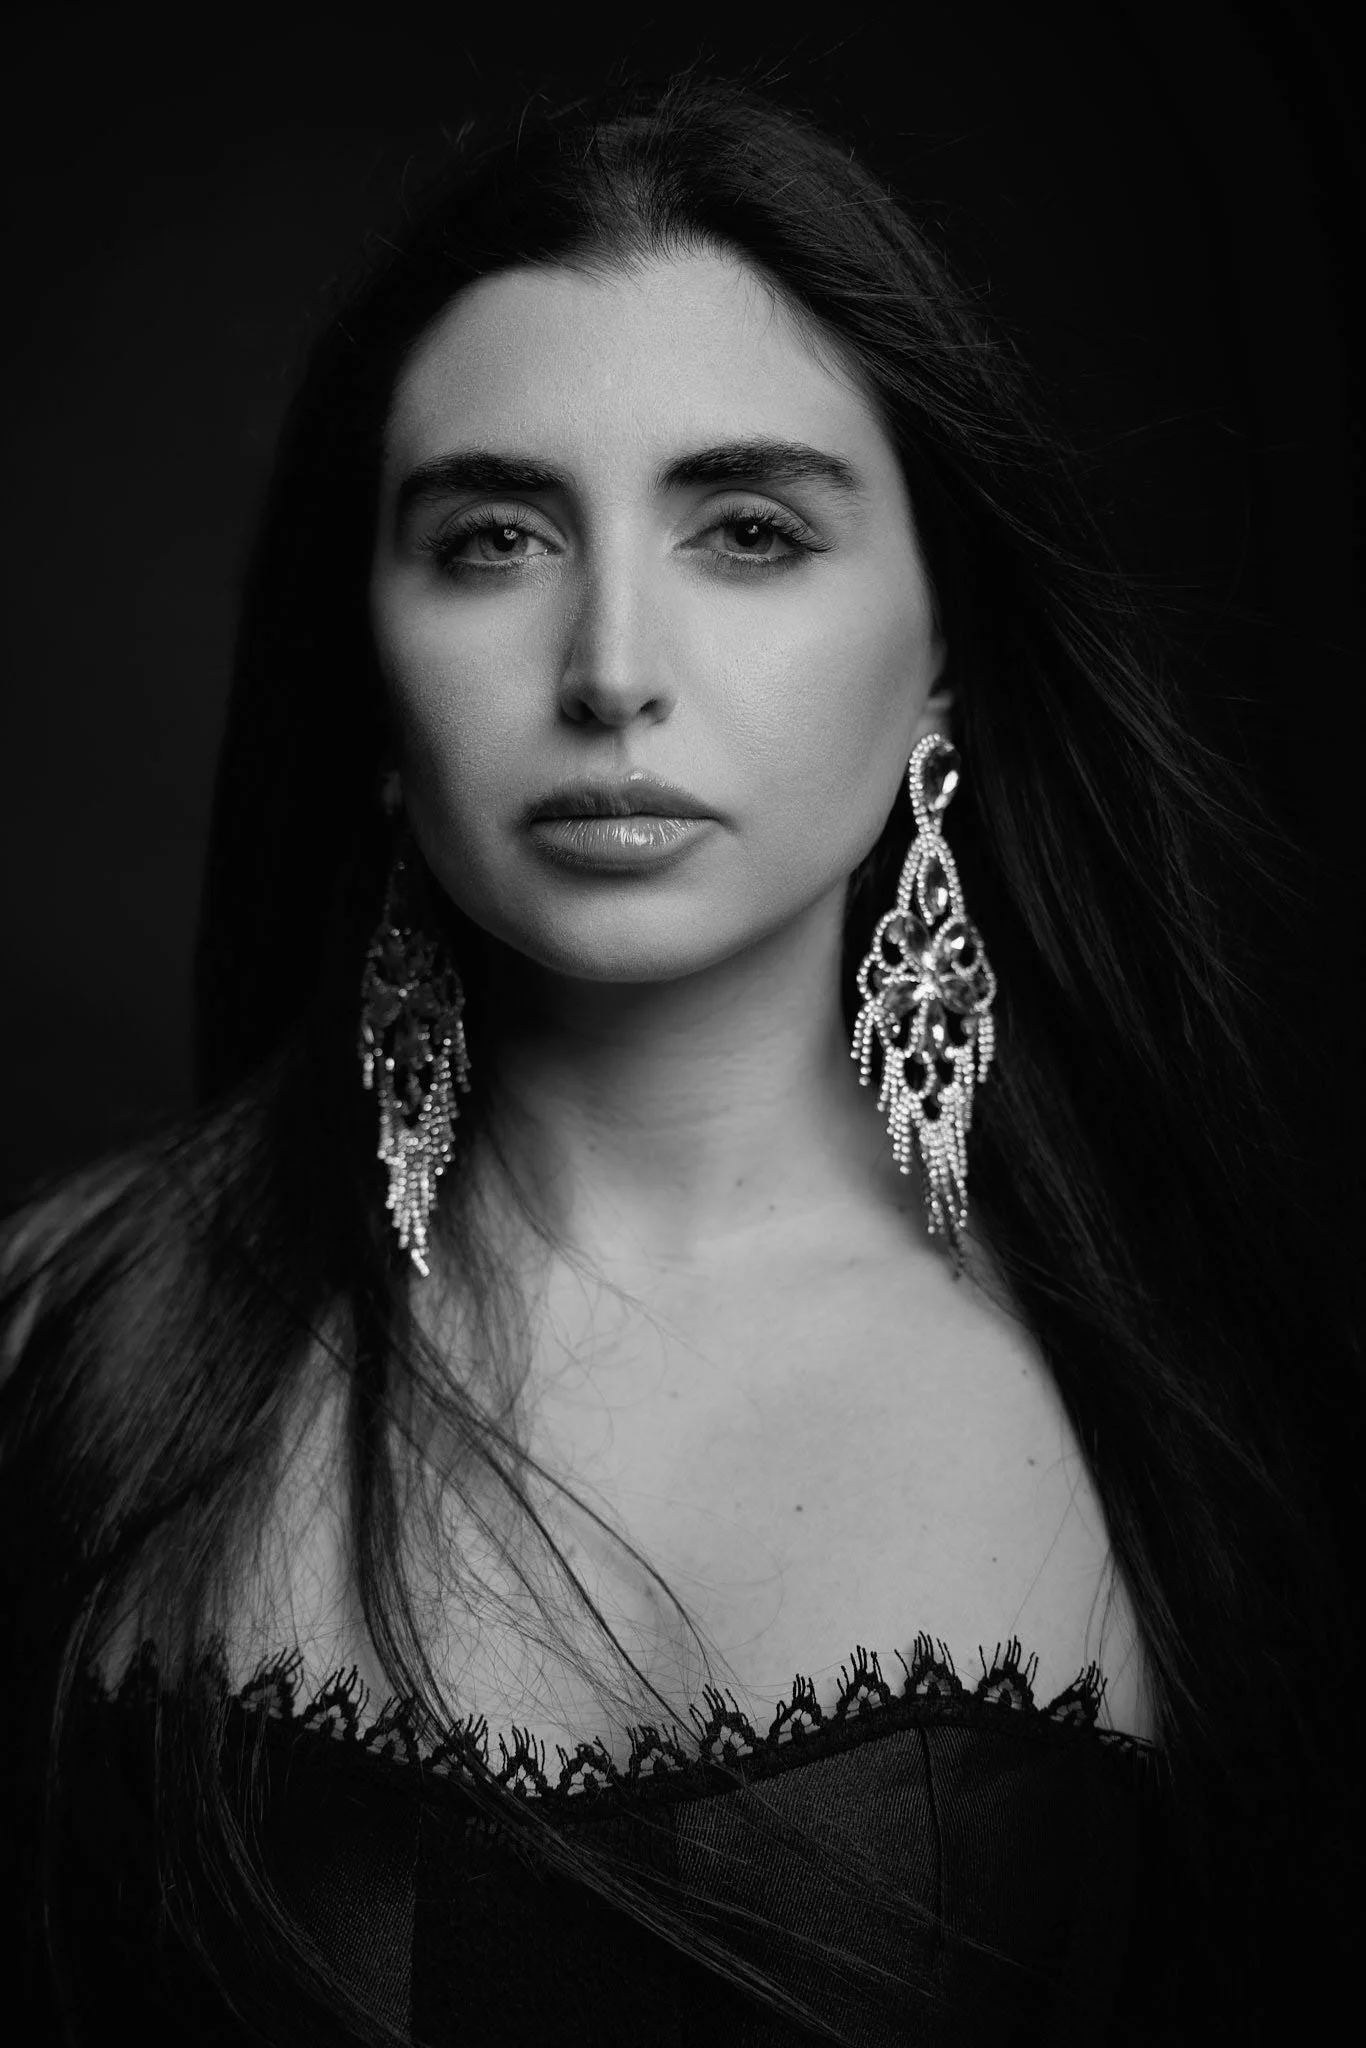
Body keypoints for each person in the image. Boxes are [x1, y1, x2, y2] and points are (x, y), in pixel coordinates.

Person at [1, 65, 1358, 2048]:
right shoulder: (62, 1338)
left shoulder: (1219, 1420)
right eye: (493, 537)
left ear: (943, 641)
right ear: (367, 661)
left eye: (745, 528)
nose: (612, 666)